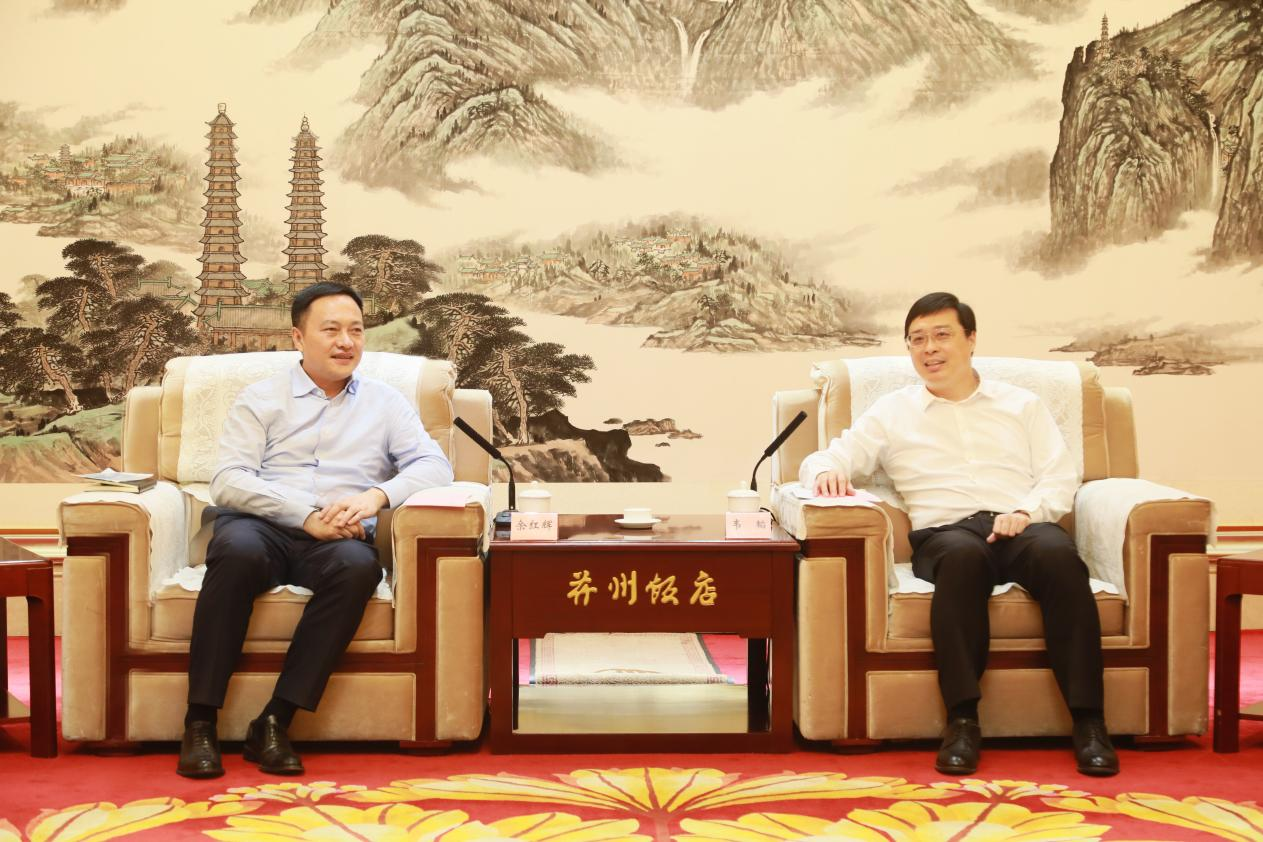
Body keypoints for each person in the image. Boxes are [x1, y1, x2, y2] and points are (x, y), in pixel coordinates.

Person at [799, 292, 1118, 777]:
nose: (929, 348)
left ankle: (1090, 723)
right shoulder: (893, 412)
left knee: (1060, 557)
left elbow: (1059, 476)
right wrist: (825, 472)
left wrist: (1025, 512)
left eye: (941, 335)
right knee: (963, 560)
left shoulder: (1022, 405)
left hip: (1021, 525)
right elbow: (828, 457)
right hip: (945, 534)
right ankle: (963, 721)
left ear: (970, 340)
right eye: (917, 339)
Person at [177, 282, 454, 778]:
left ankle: (274, 721)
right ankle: (200, 722)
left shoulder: (385, 403)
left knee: (358, 568)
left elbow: (435, 465)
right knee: (236, 552)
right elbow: (229, 480)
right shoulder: (261, 398)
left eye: (356, 331)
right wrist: (305, 515)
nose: (346, 342)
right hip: (263, 525)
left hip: (341, 536)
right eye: (331, 330)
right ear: (298, 338)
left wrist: (376, 497)